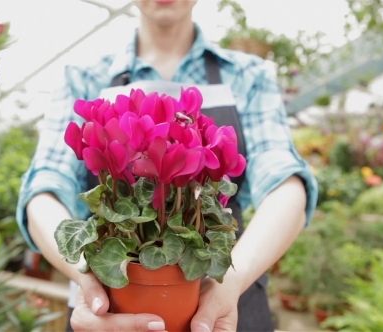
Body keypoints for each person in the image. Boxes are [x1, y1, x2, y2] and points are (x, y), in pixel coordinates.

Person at [16, 0, 318, 331]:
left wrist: (235, 276)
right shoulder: (84, 76)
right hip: (108, 309)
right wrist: (86, 277)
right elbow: (44, 187)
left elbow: (285, 182)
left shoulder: (248, 75)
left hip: (231, 297)